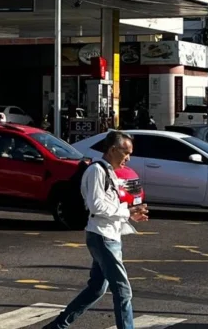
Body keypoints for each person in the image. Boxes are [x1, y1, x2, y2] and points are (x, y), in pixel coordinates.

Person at [44, 130, 148, 329]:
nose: (128, 158)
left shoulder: (109, 172)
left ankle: (57, 326)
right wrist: (126, 211)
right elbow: (96, 206)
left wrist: (130, 214)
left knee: (97, 289)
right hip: (102, 237)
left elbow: (108, 206)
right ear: (112, 150)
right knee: (123, 291)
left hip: (108, 235)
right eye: (126, 152)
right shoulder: (96, 171)